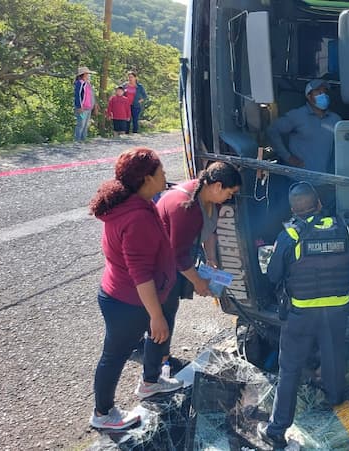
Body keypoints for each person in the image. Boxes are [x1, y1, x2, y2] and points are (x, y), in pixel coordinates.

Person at [89, 148, 183, 430]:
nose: (165, 176)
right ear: (146, 178)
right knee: (114, 355)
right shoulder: (137, 217)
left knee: (158, 335)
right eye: (161, 172)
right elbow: (140, 274)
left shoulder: (132, 203)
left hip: (136, 297)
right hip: (129, 302)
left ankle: (150, 382)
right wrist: (155, 314)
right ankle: (103, 413)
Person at [257, 182, 349, 449]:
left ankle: (276, 430)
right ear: (319, 204)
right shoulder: (343, 228)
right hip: (337, 309)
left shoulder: (290, 235)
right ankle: (335, 400)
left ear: (293, 210)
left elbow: (274, 274)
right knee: (333, 355)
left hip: (302, 312)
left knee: (289, 369)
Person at [153, 162, 242, 364]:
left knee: (168, 309)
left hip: (175, 259)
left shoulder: (210, 198)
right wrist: (198, 282)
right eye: (230, 193)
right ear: (218, 186)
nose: (230, 197)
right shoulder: (186, 206)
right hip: (159, 263)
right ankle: (155, 369)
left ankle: (160, 356)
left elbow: (210, 232)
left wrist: (211, 258)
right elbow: (178, 255)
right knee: (163, 312)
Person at [267, 79, 341, 211]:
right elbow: (273, 130)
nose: (323, 95)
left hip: (325, 182)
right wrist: (287, 156)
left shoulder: (335, 119)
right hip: (299, 181)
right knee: (301, 218)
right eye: (318, 92)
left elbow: (341, 148)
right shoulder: (297, 116)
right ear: (309, 96)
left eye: (325, 91)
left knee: (325, 219)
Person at [74, 66, 99, 141]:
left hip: (88, 108)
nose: (88, 75)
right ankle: (77, 140)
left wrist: (94, 105)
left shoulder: (88, 84)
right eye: (87, 74)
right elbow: (78, 95)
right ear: (84, 74)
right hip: (82, 108)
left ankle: (83, 139)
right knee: (81, 124)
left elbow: (91, 95)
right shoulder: (80, 83)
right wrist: (79, 106)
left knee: (85, 125)